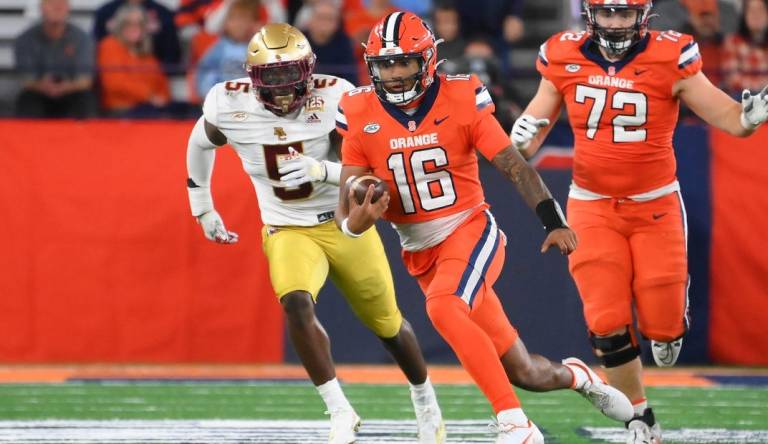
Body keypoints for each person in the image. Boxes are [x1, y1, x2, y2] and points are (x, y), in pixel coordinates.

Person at [335, 11, 634, 444]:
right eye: (386, 65)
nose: (396, 75)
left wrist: (552, 220)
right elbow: (349, 201)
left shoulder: (459, 96)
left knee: (444, 307)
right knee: (525, 372)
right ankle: (579, 377)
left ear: (429, 60)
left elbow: (511, 162)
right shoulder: (359, 110)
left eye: (405, 63)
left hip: (469, 227)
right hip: (421, 251)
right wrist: (355, 222)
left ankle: (515, 424)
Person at [508, 1, 768, 443]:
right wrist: (521, 137)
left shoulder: (670, 55)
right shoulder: (562, 54)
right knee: (605, 316)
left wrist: (746, 120)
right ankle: (639, 416)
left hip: (655, 207)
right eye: (608, 13)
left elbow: (726, 114)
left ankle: (671, 320)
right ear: (591, 14)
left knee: (662, 326)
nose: (616, 23)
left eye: (625, 13)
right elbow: (535, 125)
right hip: (592, 205)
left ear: (644, 15)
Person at [185, 23, 445, 444]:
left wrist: (321, 170)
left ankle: (424, 398)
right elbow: (200, 143)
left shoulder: (337, 97)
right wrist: (202, 206)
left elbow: (371, 175)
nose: (284, 89)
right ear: (253, 77)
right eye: (271, 77)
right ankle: (340, 411)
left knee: (388, 325)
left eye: (291, 75)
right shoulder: (226, 102)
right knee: (296, 302)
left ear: (310, 70)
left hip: (342, 223)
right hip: (286, 226)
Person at [14, 0, 95, 118]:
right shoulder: (26, 39)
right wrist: (42, 86)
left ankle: (86, 135)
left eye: (61, 4)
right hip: (38, 92)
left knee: (86, 100)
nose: (57, 8)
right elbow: (26, 79)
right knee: (27, 100)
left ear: (68, 8)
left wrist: (66, 86)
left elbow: (85, 80)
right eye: (51, 4)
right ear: (41, 8)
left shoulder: (82, 39)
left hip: (73, 91)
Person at [97, 3, 171, 115]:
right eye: (128, 23)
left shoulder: (147, 55)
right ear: (120, 26)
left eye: (140, 23)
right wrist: (149, 96)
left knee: (188, 112)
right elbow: (114, 83)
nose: (135, 27)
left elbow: (162, 86)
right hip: (121, 110)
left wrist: (162, 99)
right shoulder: (109, 45)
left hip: (149, 107)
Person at [722, 0, 768, 109]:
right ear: (744, 15)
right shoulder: (733, 42)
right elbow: (733, 80)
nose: (756, 15)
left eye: (760, 10)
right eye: (751, 10)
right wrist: (767, 85)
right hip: (745, 102)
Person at [195, 0, 260, 99]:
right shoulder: (219, 48)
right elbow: (204, 76)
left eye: (244, 19)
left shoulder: (260, 48)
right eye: (234, 19)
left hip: (253, 101)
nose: (239, 25)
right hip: (224, 101)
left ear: (254, 23)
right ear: (226, 24)